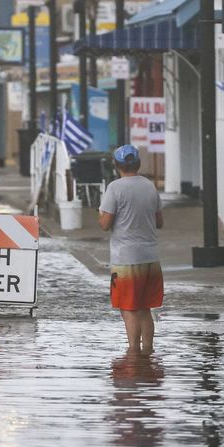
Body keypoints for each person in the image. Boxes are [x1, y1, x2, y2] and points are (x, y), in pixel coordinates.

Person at [99, 144, 164, 355]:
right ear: (138, 163)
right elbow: (159, 221)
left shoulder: (115, 188)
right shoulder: (149, 186)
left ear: (116, 165)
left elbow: (105, 224)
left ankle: (133, 355)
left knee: (129, 310)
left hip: (126, 259)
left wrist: (100, 214)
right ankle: (148, 352)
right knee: (146, 309)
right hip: (151, 258)